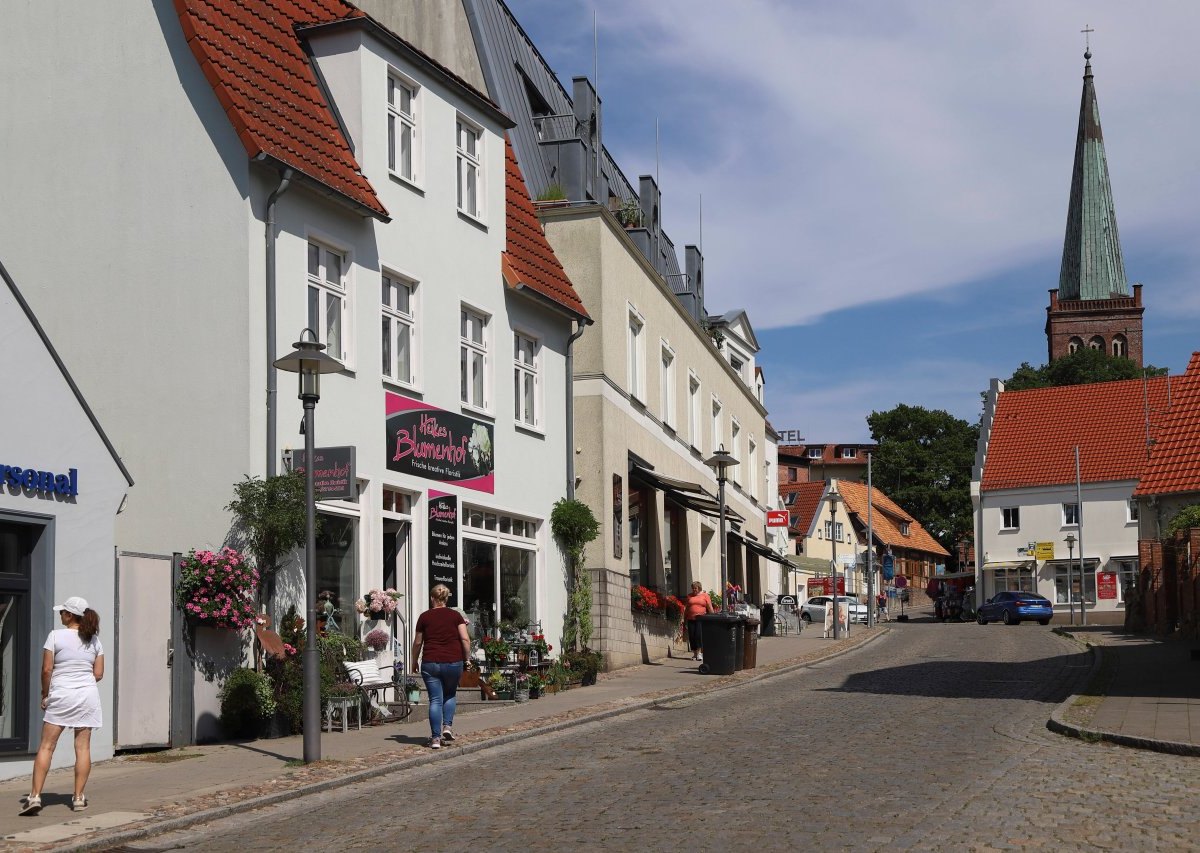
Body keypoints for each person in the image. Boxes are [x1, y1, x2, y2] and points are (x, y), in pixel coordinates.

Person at [21, 596, 104, 816]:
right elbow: (98, 674)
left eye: (62, 612)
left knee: (47, 746)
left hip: (61, 695)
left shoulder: (55, 636)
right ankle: (78, 798)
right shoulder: (94, 640)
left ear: (69, 615)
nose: (60, 615)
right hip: (87, 696)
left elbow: (47, 670)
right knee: (83, 748)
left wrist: (45, 694)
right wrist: (81, 683)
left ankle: (35, 796)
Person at [411, 584, 471, 750]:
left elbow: (417, 643)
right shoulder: (456, 616)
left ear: (432, 598)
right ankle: (447, 727)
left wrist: (414, 661)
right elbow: (465, 639)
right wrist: (467, 658)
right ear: (446, 599)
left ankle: (436, 738)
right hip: (453, 661)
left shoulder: (424, 617)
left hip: (431, 662)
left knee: (435, 700)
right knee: (450, 694)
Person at [682, 581, 714, 661]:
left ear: (699, 588)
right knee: (692, 636)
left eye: (695, 588)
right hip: (690, 619)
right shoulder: (689, 596)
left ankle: (699, 653)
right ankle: (694, 653)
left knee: (698, 635)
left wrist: (713, 617)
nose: (694, 590)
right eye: (692, 588)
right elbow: (687, 609)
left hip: (701, 618)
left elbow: (710, 607)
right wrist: (684, 619)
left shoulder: (705, 596)